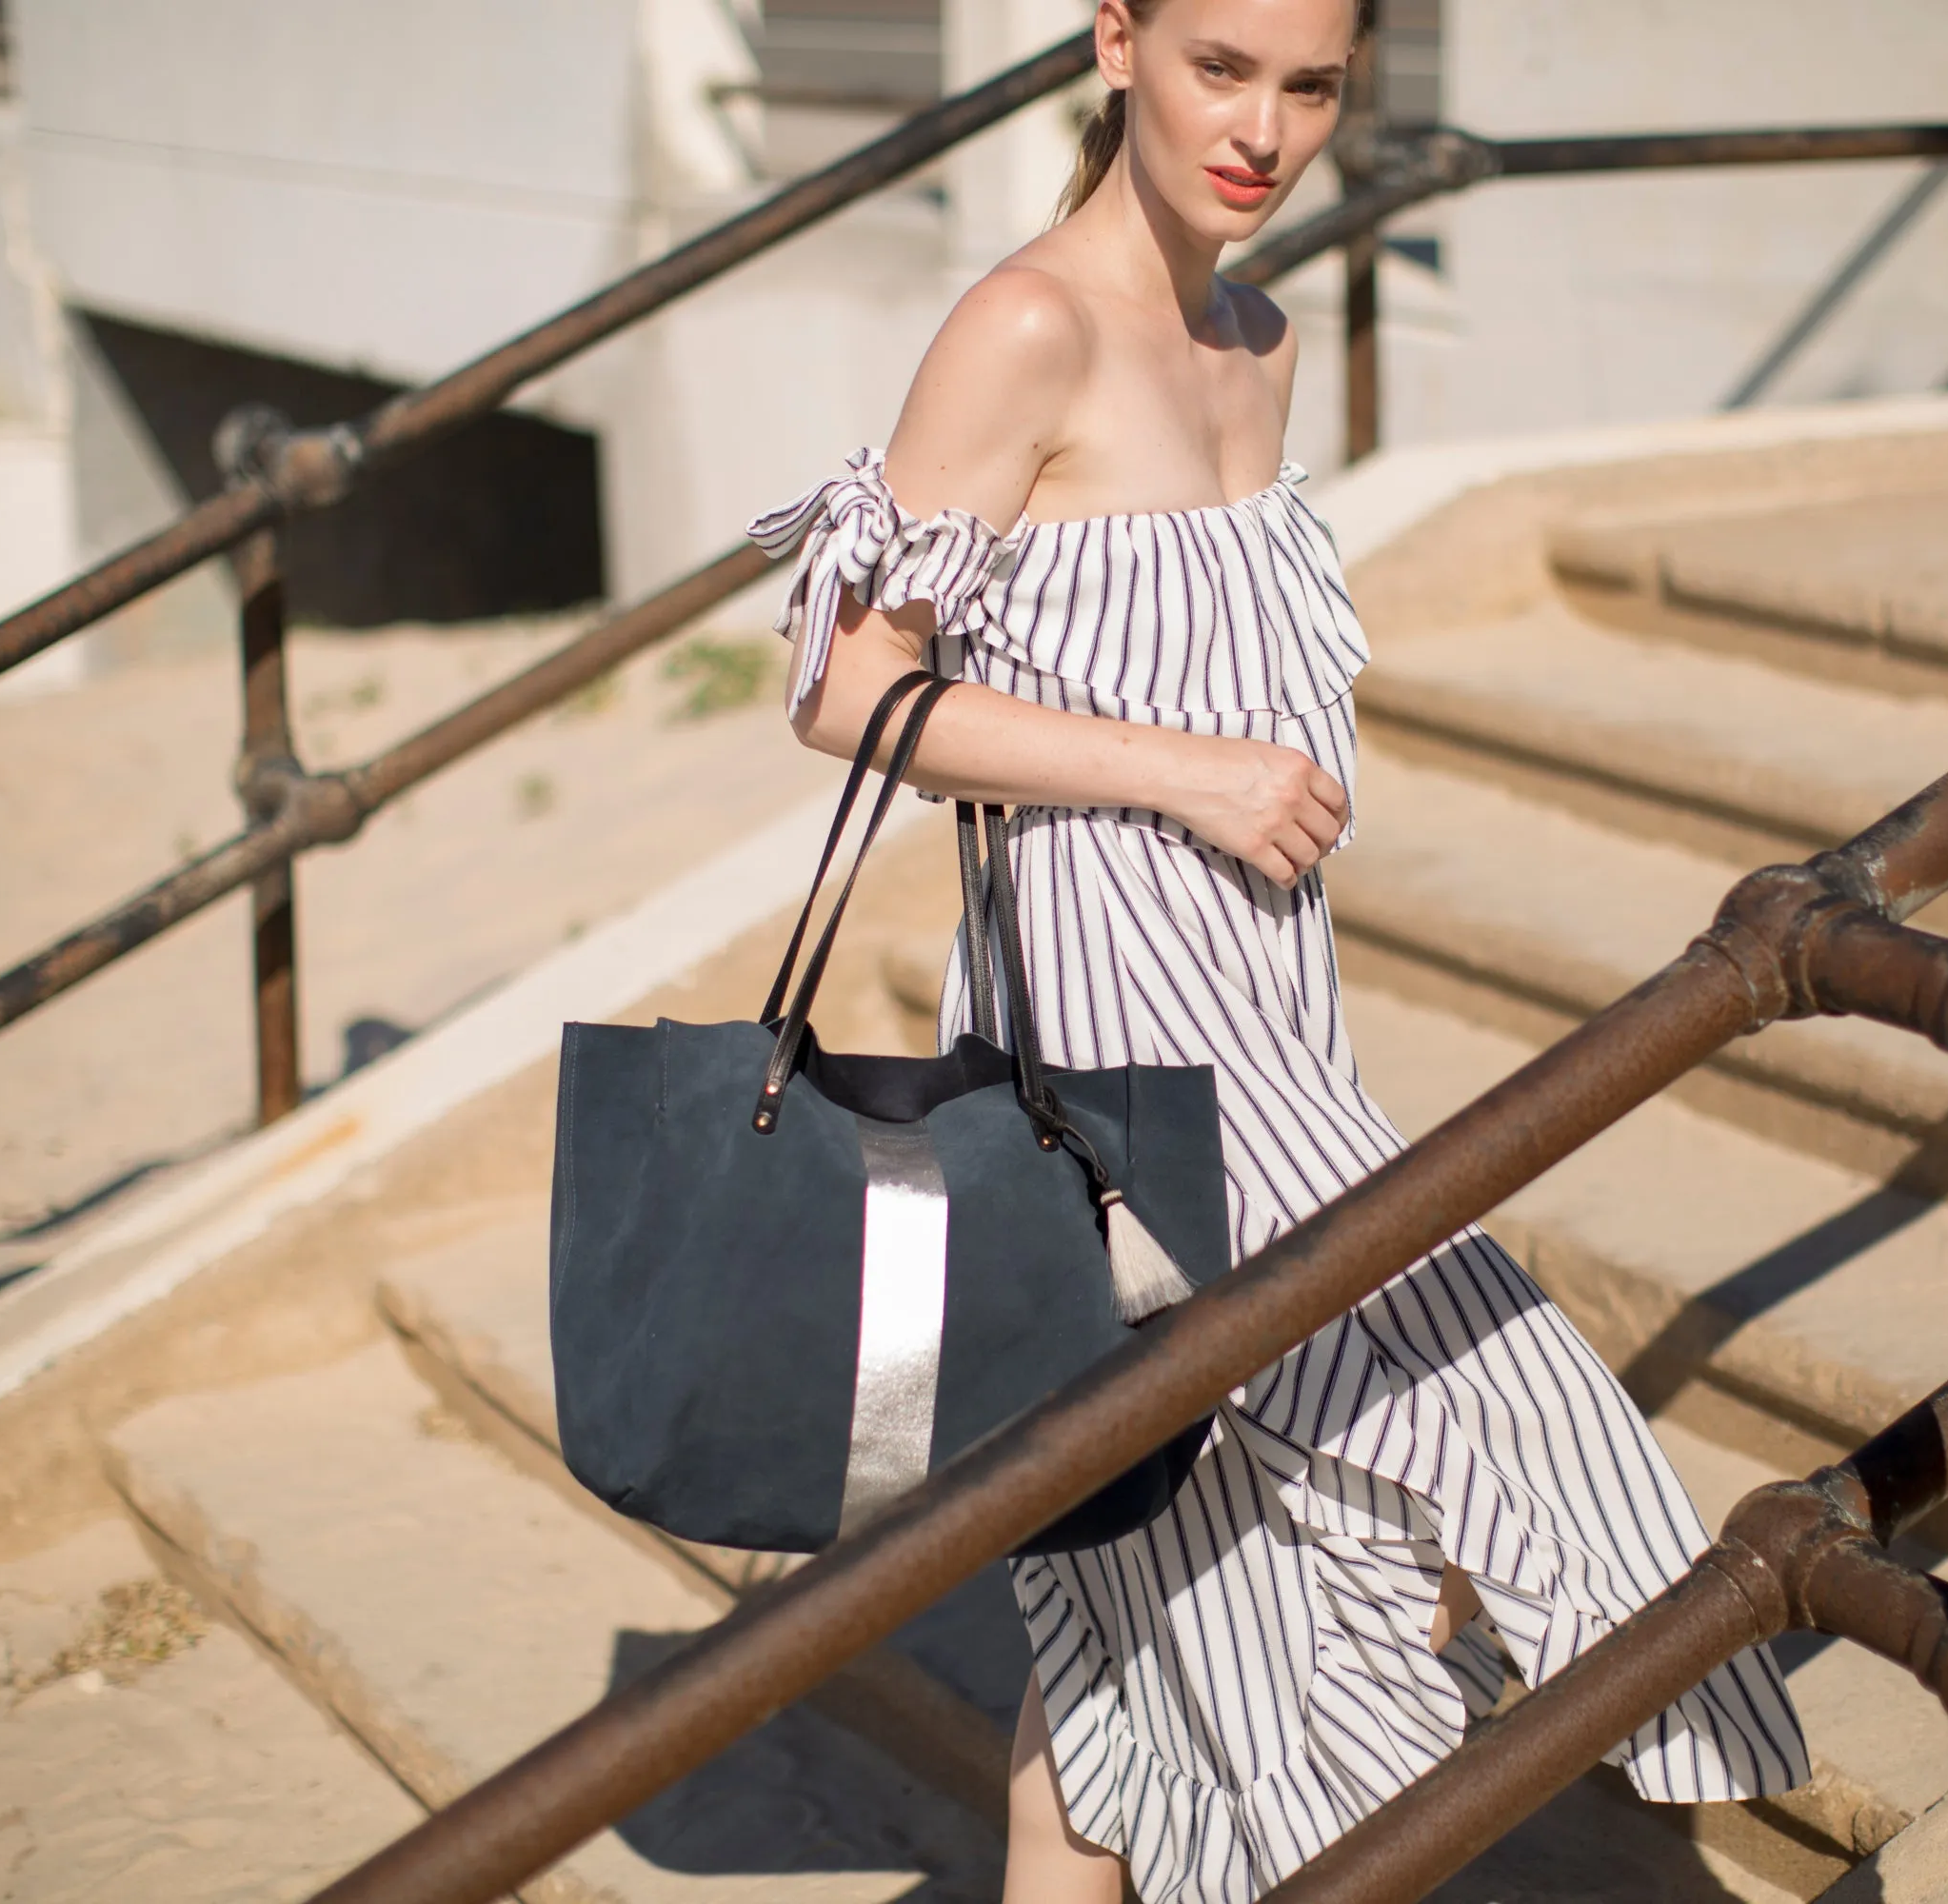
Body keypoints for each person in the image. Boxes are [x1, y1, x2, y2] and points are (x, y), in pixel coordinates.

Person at [748, 3, 1810, 1897]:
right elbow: (843, 684)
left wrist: (1243, 798)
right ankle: (1636, 1720)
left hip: (1263, 1011)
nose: (1263, 129)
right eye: (1218, 66)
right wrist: (1187, 774)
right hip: (1107, 1035)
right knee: (1495, 1391)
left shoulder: (1259, 337)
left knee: (1142, 1627)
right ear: (1117, 40)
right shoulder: (1025, 327)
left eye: (1310, 86)